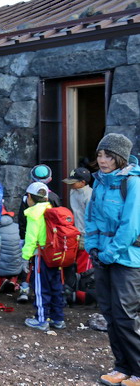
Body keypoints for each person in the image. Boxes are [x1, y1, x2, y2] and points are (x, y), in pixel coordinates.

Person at [85, 133, 140, 386]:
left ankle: (137, 370)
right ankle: (121, 367)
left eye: (108, 155)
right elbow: (92, 218)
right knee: (109, 313)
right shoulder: (99, 183)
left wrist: (109, 253)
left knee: (125, 315)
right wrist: (93, 247)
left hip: (127, 259)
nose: (102, 160)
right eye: (99, 154)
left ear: (120, 157)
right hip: (103, 257)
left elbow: (131, 226)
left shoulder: (133, 183)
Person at [19, 181, 67, 331]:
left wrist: (25, 257)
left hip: (42, 256)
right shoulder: (52, 210)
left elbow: (31, 239)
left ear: (29, 197)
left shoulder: (34, 214)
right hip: (57, 255)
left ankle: (41, 320)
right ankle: (57, 318)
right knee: (56, 287)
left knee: (41, 288)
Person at [16, 163, 62, 303]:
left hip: (30, 237)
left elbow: (22, 218)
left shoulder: (28, 197)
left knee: (28, 262)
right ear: (50, 179)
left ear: (31, 177)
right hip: (49, 240)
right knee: (47, 267)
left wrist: (22, 236)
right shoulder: (53, 197)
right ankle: (45, 292)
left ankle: (24, 289)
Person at [61, 167, 92, 248]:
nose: (70, 184)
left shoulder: (89, 195)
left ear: (82, 182)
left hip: (86, 234)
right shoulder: (73, 191)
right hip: (75, 232)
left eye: (73, 182)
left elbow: (91, 217)